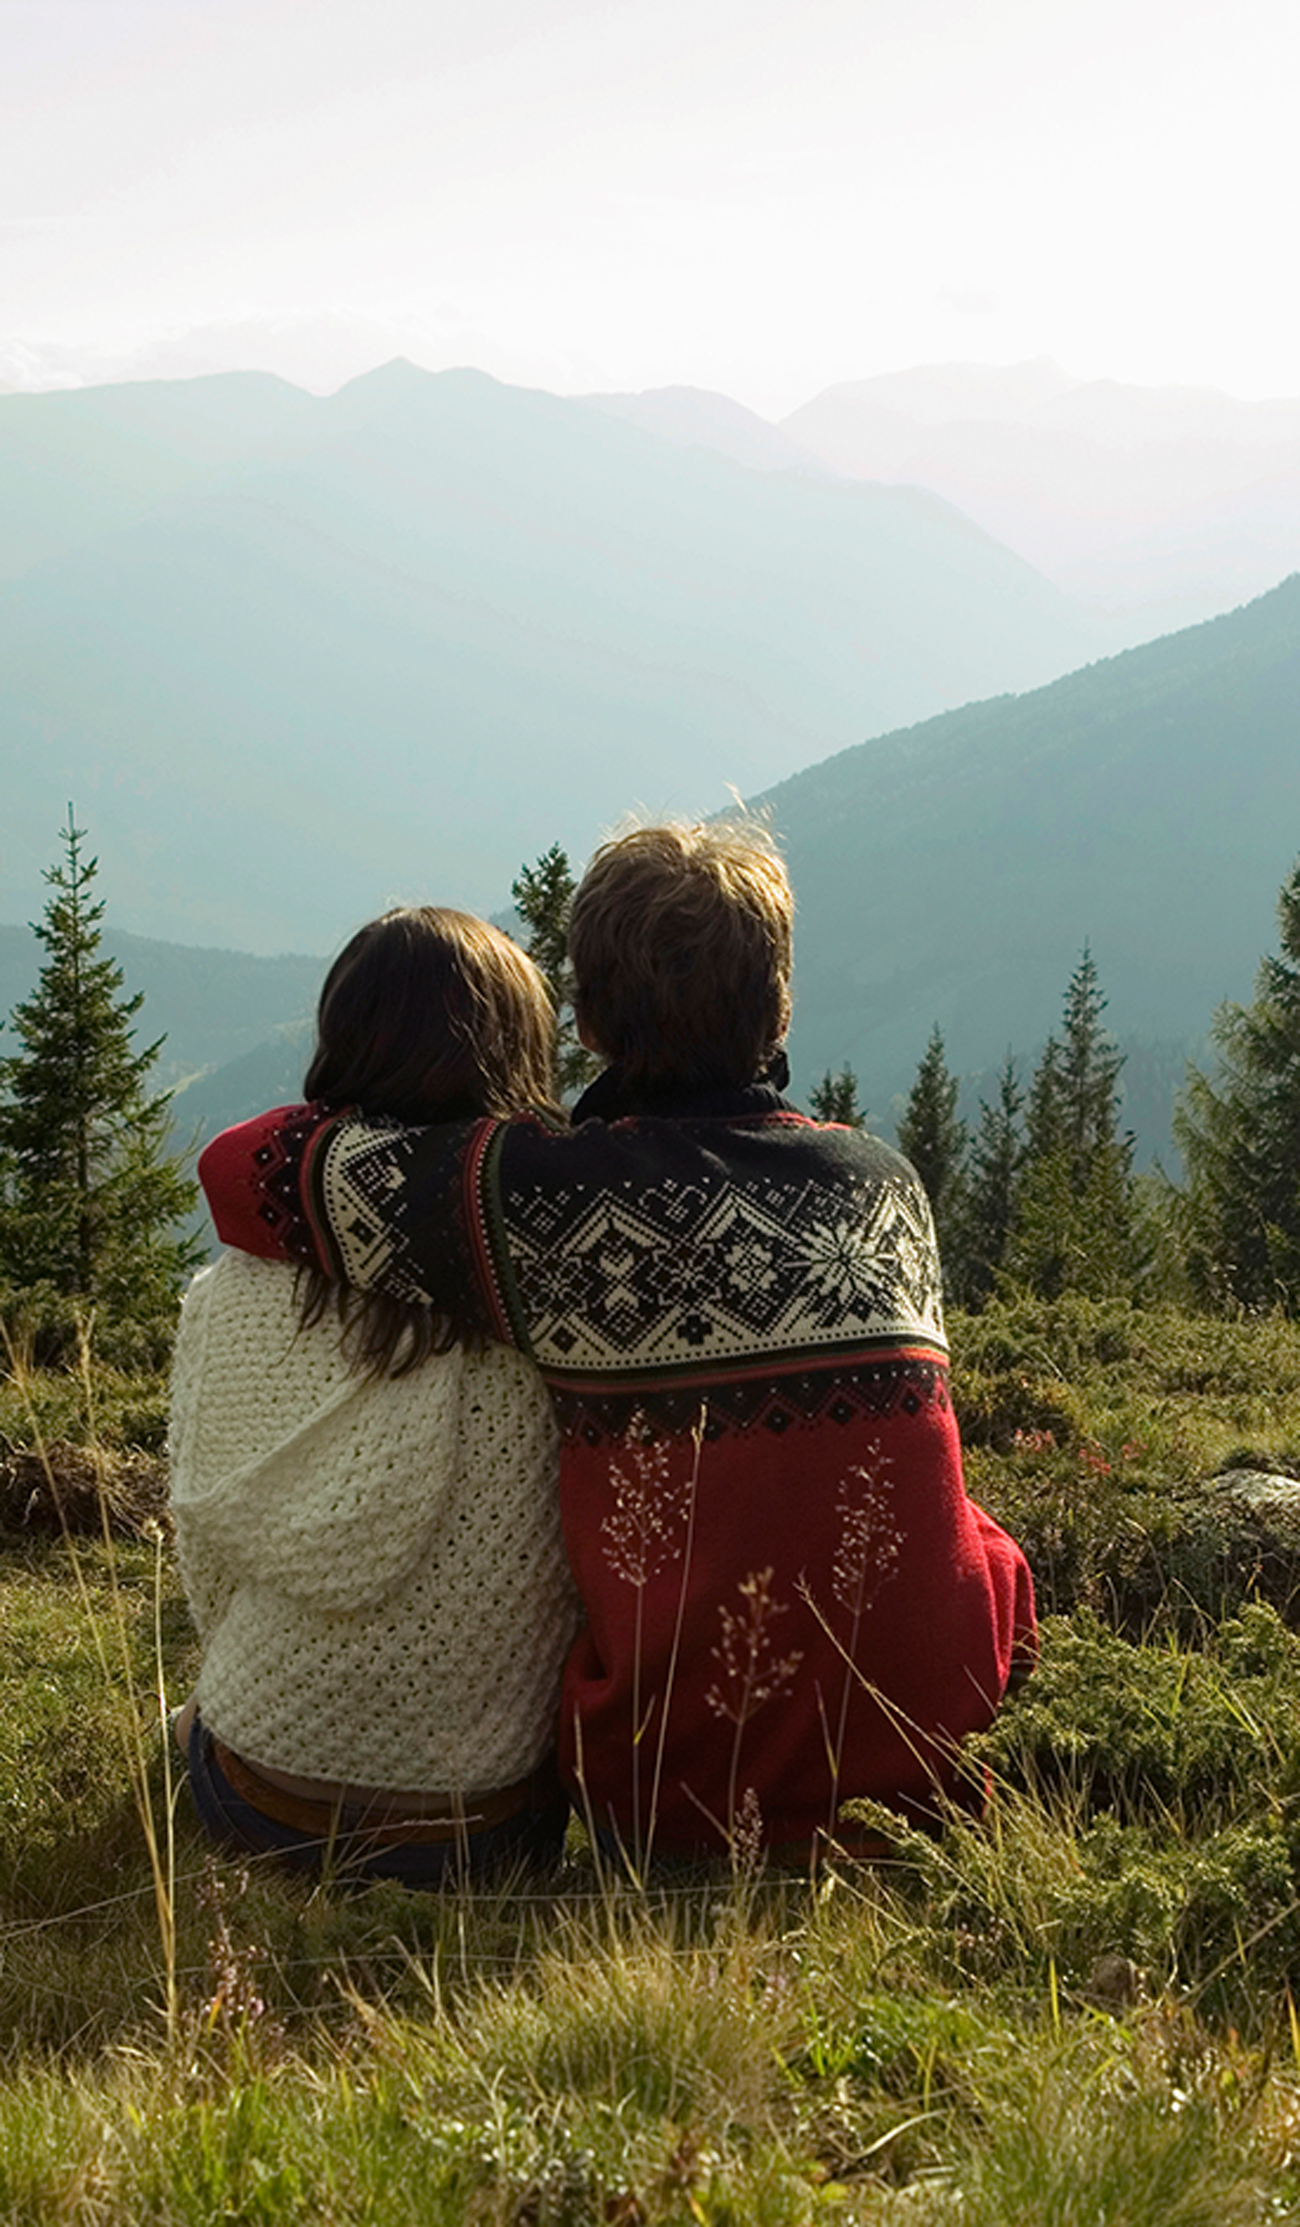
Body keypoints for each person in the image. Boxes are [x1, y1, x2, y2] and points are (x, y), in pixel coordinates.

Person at [199, 823, 1036, 1868]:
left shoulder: (539, 1195)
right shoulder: (881, 1182)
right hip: (933, 1766)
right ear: (778, 1006)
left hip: (673, 1805)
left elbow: (247, 1165)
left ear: (587, 1020)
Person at [170, 907, 580, 1885]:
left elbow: (206, 1561)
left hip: (258, 1790)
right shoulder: (557, 1302)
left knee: (188, 1723)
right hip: (479, 1832)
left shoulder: (230, 1295)